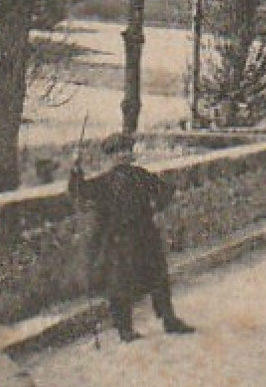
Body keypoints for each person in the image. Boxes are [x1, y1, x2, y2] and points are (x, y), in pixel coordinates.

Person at [69, 132, 195, 343]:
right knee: (120, 284)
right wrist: (75, 171)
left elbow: (165, 191)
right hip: (119, 239)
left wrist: (156, 206)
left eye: (127, 150)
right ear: (110, 157)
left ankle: (169, 319)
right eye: (118, 152)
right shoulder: (105, 181)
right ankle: (124, 328)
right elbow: (80, 193)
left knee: (159, 277)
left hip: (145, 234)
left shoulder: (140, 174)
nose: (124, 155)